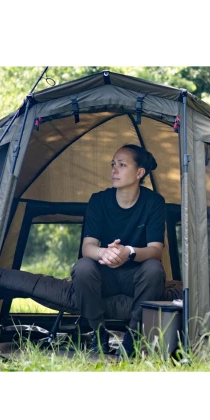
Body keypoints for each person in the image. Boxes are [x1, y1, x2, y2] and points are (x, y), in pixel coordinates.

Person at [71, 144, 166, 357]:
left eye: (122, 165)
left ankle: (133, 336)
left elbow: (156, 250)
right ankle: (98, 334)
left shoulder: (154, 202)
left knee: (154, 269)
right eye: (113, 164)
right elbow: (88, 247)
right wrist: (103, 253)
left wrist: (129, 252)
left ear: (139, 173)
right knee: (83, 267)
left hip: (136, 277)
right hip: (104, 274)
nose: (114, 170)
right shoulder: (99, 200)